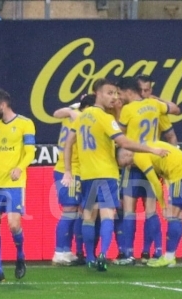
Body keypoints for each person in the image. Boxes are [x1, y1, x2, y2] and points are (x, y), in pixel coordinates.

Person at [61, 78, 169, 272]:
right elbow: (125, 143)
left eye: (116, 93)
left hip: (87, 175)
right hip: (106, 173)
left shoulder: (82, 116)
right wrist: (151, 150)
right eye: (110, 93)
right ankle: (102, 255)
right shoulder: (105, 118)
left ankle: (90, 259)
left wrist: (68, 170)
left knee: (88, 217)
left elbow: (68, 143)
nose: (114, 97)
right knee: (108, 215)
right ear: (98, 94)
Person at [115, 76, 180, 265]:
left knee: (129, 211)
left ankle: (128, 254)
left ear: (128, 91)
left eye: (120, 93)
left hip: (133, 163)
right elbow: (175, 108)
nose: (120, 97)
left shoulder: (127, 109)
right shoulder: (154, 105)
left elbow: (118, 135)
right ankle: (159, 251)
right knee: (151, 211)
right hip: (152, 163)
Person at [0, 89, 36, 282]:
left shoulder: (25, 124)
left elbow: (30, 152)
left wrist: (20, 168)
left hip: (14, 184)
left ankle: (20, 256)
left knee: (13, 225)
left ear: (3, 105)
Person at [117, 141, 182, 267]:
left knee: (172, 216)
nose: (128, 166)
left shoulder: (139, 156)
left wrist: (163, 206)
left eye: (126, 163)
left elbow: (155, 183)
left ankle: (169, 257)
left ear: (126, 154)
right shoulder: (147, 146)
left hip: (180, 175)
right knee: (178, 216)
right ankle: (170, 256)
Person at [51, 94, 96, 265]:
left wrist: (72, 108)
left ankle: (68, 250)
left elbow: (57, 113)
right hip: (69, 169)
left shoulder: (72, 113)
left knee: (76, 210)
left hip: (72, 169)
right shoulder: (83, 117)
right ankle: (60, 251)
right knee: (69, 210)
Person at [136, 74, 179, 145]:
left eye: (146, 90)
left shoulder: (157, 108)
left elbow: (171, 137)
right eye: (139, 90)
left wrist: (172, 155)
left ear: (150, 91)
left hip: (151, 152)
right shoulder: (125, 105)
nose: (142, 93)